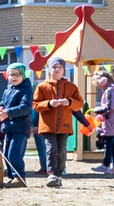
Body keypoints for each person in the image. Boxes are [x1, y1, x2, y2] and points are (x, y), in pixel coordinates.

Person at [31, 60, 82, 188]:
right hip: (47, 125)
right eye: (54, 67)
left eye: (60, 67)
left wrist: (69, 102)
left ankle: (59, 174)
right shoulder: (42, 86)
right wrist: (49, 103)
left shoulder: (71, 87)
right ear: (49, 69)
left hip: (64, 125)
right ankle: (52, 174)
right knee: (51, 149)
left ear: (63, 69)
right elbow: (35, 105)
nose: (57, 69)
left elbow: (79, 103)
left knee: (61, 150)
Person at [0, 62, 35, 184]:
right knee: (6, 154)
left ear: (23, 75)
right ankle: (12, 177)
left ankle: (19, 177)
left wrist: (8, 112)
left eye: (17, 74)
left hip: (20, 127)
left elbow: (25, 107)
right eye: (11, 75)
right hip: (9, 126)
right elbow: (3, 103)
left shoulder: (25, 90)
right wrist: (0, 108)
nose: (13, 77)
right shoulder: (7, 90)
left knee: (14, 153)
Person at [87, 63, 114, 175]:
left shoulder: (110, 91)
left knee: (108, 144)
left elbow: (110, 107)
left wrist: (97, 110)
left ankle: (106, 165)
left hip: (111, 122)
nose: (100, 87)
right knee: (113, 145)